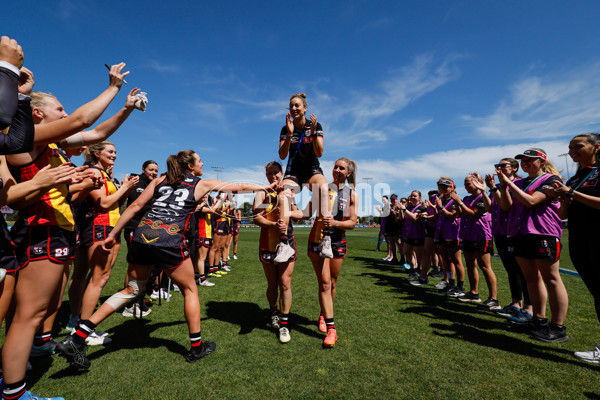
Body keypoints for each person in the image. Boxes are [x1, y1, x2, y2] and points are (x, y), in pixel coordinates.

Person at [56, 150, 276, 367]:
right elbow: (241, 187)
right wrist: (266, 187)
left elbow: (134, 207)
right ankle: (196, 347)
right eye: (199, 160)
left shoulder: (161, 179)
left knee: (131, 290)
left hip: (142, 235)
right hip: (168, 239)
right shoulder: (201, 183)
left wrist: (113, 234)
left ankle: (76, 339)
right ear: (190, 166)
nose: (202, 163)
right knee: (190, 290)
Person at [1, 63, 133, 400]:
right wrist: (114, 88)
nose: (65, 112)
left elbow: (97, 133)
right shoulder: (27, 139)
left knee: (37, 312)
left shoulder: (51, 143)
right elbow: (82, 121)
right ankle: (14, 392)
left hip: (53, 231)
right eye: (58, 107)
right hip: (41, 231)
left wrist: (127, 109)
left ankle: (26, 363)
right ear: (38, 115)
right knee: (27, 316)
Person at [497, 148, 569, 342]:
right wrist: (504, 187)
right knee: (531, 279)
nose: (526, 163)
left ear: (542, 161)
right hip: (519, 233)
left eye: (531, 160)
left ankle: (558, 326)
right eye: (523, 160)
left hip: (542, 232)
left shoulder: (551, 180)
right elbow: (506, 206)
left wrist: (509, 184)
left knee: (551, 279)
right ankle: (539, 319)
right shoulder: (518, 182)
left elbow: (531, 201)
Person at [549, 134, 600, 360]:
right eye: (569, 147)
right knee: (597, 294)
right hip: (579, 239)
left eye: (578, 146)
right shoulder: (574, 178)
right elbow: (562, 215)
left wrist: (571, 193)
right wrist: (563, 198)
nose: (572, 151)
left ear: (596, 147)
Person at [77, 141, 138, 330]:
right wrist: (124, 187)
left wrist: (126, 189)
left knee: (101, 278)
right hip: (99, 227)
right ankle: (84, 328)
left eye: (116, 152)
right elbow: (102, 203)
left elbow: (115, 204)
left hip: (112, 228)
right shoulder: (93, 172)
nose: (115, 155)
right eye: (110, 151)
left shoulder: (106, 175)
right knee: (98, 279)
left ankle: (84, 322)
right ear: (96, 154)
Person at [306, 157, 358, 348]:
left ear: (348, 173)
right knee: (325, 283)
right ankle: (331, 328)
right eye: (335, 167)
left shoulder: (352, 194)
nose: (336, 170)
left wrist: (335, 223)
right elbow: (306, 211)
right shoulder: (322, 188)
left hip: (338, 241)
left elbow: (352, 222)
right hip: (317, 241)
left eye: (341, 168)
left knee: (333, 282)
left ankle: (322, 314)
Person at [278, 93, 330, 259]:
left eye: (297, 105)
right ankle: (284, 244)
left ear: (305, 108)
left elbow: (319, 153)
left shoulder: (315, 125)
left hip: (312, 170)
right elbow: (282, 155)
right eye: (291, 106)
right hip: (293, 172)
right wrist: (288, 135)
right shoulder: (286, 128)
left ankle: (326, 239)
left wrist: (314, 133)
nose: (294, 108)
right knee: (283, 193)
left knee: (323, 188)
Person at [253, 161, 296, 343]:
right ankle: (274, 313)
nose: (273, 176)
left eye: (276, 172)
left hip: (287, 242)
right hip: (267, 243)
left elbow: (296, 213)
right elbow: (256, 217)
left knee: (285, 283)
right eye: (269, 173)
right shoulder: (262, 192)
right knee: (272, 284)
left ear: (282, 173)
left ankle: (284, 325)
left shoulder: (288, 192)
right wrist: (272, 224)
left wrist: (288, 203)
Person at [484, 159, 532, 321]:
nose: (499, 168)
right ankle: (515, 304)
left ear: (514, 168)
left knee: (523, 271)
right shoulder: (497, 187)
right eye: (497, 166)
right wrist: (487, 189)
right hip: (500, 231)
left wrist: (496, 187)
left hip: (515, 232)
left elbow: (507, 206)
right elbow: (490, 208)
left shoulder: (519, 183)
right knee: (511, 270)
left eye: (503, 165)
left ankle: (528, 308)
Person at [451, 173, 499, 309]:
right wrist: (457, 202)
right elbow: (460, 214)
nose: (466, 186)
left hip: (482, 235)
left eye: (469, 183)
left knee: (484, 266)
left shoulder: (483, 197)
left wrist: (459, 202)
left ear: (478, 183)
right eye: (465, 184)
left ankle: (493, 298)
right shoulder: (466, 198)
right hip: (467, 235)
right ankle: (473, 293)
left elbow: (473, 214)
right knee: (470, 264)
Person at [433, 177, 465, 297]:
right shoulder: (444, 200)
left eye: (446, 186)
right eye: (440, 186)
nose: (442, 188)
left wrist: (441, 207)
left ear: (452, 187)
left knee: (457, 261)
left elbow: (453, 216)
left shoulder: (454, 199)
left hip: (452, 234)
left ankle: (460, 287)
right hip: (442, 233)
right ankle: (451, 284)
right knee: (446, 261)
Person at [398, 191, 426, 280]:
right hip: (409, 234)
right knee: (407, 252)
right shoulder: (409, 207)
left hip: (418, 234)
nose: (413, 197)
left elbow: (414, 217)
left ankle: (420, 272)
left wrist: (404, 209)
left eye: (415, 196)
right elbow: (401, 218)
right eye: (412, 196)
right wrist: (401, 209)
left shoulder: (421, 207)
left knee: (419, 256)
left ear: (419, 198)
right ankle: (413, 270)